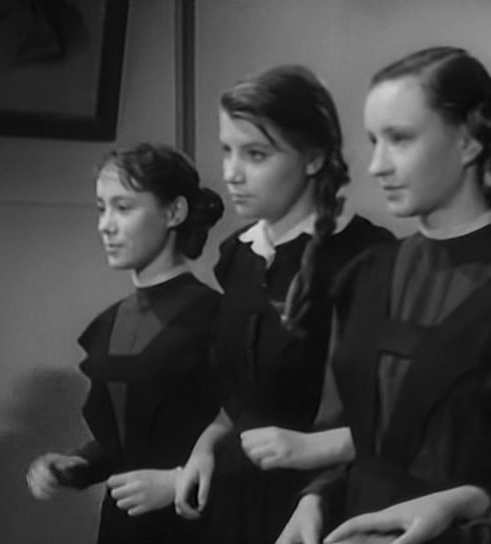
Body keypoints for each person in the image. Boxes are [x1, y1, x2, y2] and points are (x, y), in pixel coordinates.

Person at [277, 46, 491, 544]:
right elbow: (349, 438)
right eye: (373, 141)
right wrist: (317, 499)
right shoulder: (364, 275)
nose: (376, 165)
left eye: (399, 139)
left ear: (467, 141)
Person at [173, 65, 393, 544]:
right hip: (235, 496)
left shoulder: (366, 259)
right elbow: (238, 396)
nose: (231, 173)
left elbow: (394, 414)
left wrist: (313, 449)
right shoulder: (237, 256)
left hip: (320, 502)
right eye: (227, 150)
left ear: (313, 159)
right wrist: (206, 446)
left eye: (255, 154)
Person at [26, 143, 224, 544]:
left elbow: (250, 430)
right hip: (124, 526)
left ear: (174, 212)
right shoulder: (112, 322)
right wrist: (77, 464)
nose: (106, 225)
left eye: (123, 207)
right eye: (102, 208)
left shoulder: (215, 316)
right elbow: (125, 440)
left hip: (197, 524)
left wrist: (177, 480)